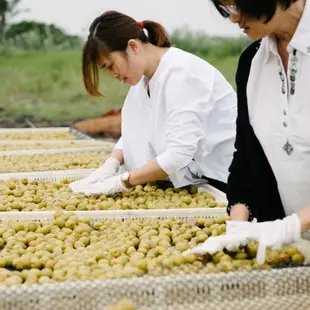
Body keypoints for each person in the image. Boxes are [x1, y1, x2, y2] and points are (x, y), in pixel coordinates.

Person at [187, 0, 310, 264]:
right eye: (225, 8)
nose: (233, 18)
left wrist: (291, 226)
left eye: (235, 4)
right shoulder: (253, 62)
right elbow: (246, 154)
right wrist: (239, 225)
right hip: (297, 248)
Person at [70, 11, 237, 196]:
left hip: (223, 183)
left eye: (110, 65)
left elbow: (179, 153)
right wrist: (112, 163)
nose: (112, 75)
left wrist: (123, 181)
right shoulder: (144, 81)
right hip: (193, 183)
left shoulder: (181, 74)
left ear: (133, 47)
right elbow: (135, 131)